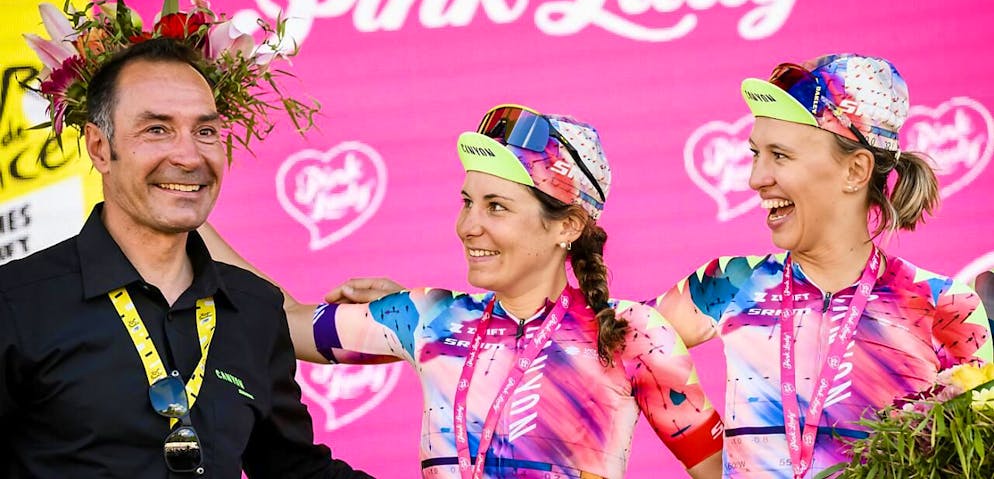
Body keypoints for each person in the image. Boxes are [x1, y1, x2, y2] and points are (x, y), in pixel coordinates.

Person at [208, 104, 724, 478]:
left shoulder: (632, 334)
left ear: (566, 226)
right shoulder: (431, 318)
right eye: (467, 202)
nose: (467, 226)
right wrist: (176, 223)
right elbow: (284, 320)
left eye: (495, 207)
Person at [0, 36, 372, 477]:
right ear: (100, 148)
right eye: (157, 129)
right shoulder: (18, 304)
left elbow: (294, 470)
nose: (188, 155)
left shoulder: (253, 309)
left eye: (206, 131)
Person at [648, 53, 993, 478]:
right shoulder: (733, 280)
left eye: (780, 155)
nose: (757, 178)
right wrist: (709, 459)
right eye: (756, 153)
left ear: (855, 169)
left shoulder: (943, 305)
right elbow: (619, 340)